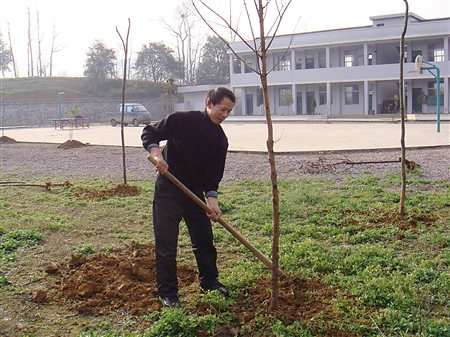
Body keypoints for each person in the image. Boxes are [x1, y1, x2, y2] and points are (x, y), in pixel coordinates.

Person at [141, 87, 236, 307]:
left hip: (194, 195)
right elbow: (150, 133)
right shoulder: (183, 120)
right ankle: (168, 294)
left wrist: (212, 202)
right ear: (209, 103)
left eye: (229, 111)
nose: (225, 115)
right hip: (169, 190)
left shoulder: (220, 140)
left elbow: (212, 176)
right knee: (166, 244)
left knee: (204, 241)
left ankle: (209, 281)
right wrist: (157, 156)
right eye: (222, 109)